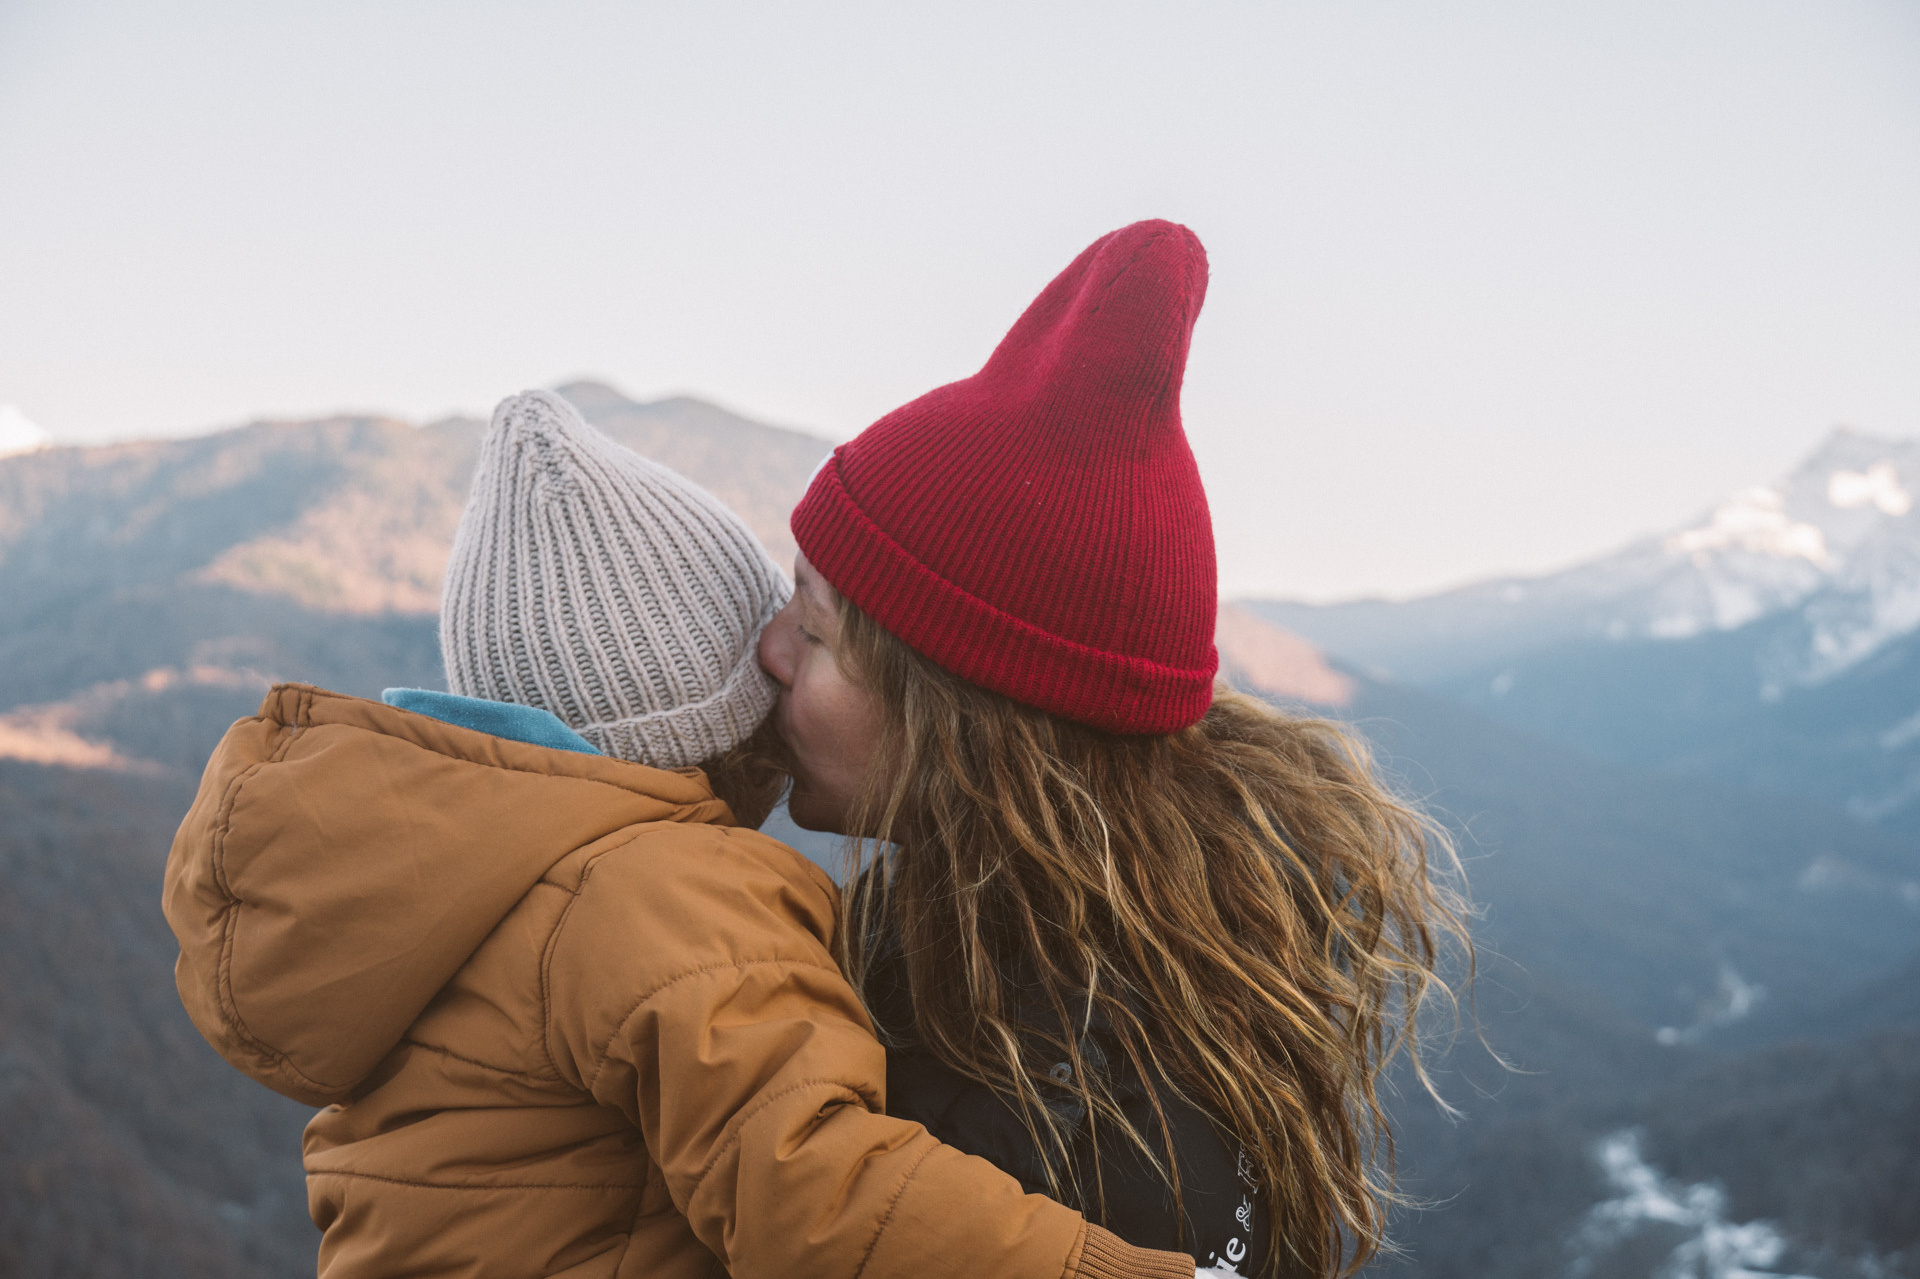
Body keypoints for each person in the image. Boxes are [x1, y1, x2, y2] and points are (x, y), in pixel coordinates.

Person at [163, 390, 1199, 1278]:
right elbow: (818, 1190)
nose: (787, 665)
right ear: (704, 724)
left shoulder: (461, 874)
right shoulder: (662, 889)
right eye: (774, 649)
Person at [757, 220, 1469, 1279]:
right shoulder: (1139, 998)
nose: (767, 651)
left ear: (964, 722)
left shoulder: (1038, 1147)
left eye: (813, 632)